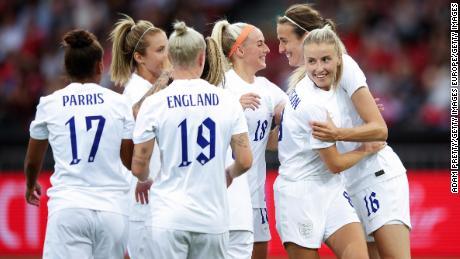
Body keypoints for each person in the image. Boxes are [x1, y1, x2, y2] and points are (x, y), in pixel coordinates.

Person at [276, 4, 411, 259]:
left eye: (285, 41)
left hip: (374, 173)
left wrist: (339, 133)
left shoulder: (344, 64)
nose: (281, 48)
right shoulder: (305, 85)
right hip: (347, 180)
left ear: (306, 38)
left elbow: (379, 129)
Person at [131, 21, 253, 259]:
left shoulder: (154, 104)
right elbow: (245, 160)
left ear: (170, 56)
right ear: (202, 57)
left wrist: (146, 178)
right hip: (213, 219)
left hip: (169, 217)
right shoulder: (227, 100)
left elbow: (138, 166)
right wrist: (229, 173)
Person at [24, 29, 134, 259]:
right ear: (100, 67)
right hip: (112, 210)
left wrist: (31, 183)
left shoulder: (49, 103)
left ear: (67, 69)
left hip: (68, 208)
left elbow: (33, 159)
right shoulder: (119, 103)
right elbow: (128, 159)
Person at [211, 19, 287, 259]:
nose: (267, 49)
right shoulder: (219, 86)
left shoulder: (268, 88)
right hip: (224, 193)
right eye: (260, 44)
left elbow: (281, 131)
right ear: (241, 50)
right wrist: (231, 108)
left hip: (255, 194)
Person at [109, 14, 169, 258]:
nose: (168, 55)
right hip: (143, 197)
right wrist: (164, 81)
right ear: (139, 57)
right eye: (160, 50)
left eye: (168, 47)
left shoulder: (159, 88)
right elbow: (138, 111)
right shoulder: (135, 91)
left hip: (161, 196)